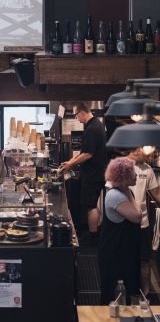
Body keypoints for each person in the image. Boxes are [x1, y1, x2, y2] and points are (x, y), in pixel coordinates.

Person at [60, 102, 107, 245]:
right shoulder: (94, 125)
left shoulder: (92, 128)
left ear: (82, 112)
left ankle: (93, 237)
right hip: (95, 173)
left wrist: (71, 164)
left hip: (94, 174)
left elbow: (88, 154)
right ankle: (94, 232)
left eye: (76, 115)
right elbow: (82, 151)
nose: (76, 118)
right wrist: (70, 161)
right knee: (91, 203)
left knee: (90, 205)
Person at [99, 157, 142, 305]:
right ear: (124, 177)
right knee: (114, 295)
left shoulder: (124, 192)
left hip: (122, 252)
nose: (136, 176)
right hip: (114, 255)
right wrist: (129, 193)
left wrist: (128, 190)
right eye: (133, 173)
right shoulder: (115, 195)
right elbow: (137, 217)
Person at [127, 147, 159, 297]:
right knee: (126, 258)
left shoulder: (148, 170)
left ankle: (145, 293)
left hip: (143, 222)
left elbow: (157, 194)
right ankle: (127, 290)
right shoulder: (123, 165)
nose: (151, 156)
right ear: (138, 148)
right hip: (125, 222)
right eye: (149, 152)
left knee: (144, 259)